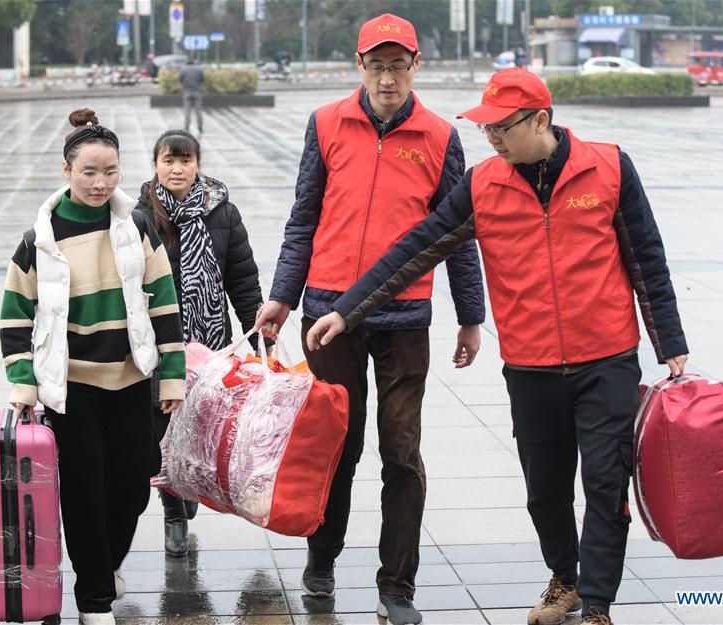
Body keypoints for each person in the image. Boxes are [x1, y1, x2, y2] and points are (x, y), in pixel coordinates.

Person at [306, 67, 690, 625]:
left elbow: (646, 258)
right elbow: (415, 247)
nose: (490, 139)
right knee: (544, 492)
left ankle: (598, 606)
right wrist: (347, 309)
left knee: (606, 483)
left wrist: (670, 342)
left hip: (606, 356)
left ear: (540, 120)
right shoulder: (484, 184)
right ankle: (565, 578)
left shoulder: (607, 166)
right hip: (531, 362)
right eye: (484, 129)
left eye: (500, 128)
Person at [253, 12, 485, 625]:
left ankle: (396, 585)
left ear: (416, 67)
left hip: (406, 318)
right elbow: (305, 216)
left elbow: (459, 234)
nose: (388, 79)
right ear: (360, 66)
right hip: (329, 312)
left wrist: (470, 316)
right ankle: (322, 557)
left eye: (398, 66)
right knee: (336, 444)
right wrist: (282, 295)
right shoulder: (327, 123)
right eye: (377, 66)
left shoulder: (439, 135)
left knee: (401, 452)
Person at [0, 108, 186, 625]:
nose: (101, 182)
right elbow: (14, 314)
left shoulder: (135, 224)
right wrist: (23, 381)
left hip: (131, 381)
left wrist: (171, 375)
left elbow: (164, 302)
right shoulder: (40, 236)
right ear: (67, 171)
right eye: (89, 172)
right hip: (72, 388)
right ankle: (95, 600)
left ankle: (105, 565)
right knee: (84, 495)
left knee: (130, 489)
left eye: (110, 171)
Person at [134, 129, 264, 557]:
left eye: (185, 161)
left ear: (197, 165)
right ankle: (173, 508)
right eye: (168, 160)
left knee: (203, 424)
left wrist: (258, 328)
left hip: (211, 344)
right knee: (165, 427)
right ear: (155, 165)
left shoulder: (223, 213)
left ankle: (187, 489)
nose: (177, 168)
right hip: (161, 348)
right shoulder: (141, 216)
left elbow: (242, 278)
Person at [179, 58, 205, 134]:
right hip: (197, 92)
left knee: (187, 111)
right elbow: (203, 79)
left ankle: (186, 128)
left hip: (187, 92)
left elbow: (180, 79)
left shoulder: (183, 69)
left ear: (186, 62)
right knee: (198, 111)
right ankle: (200, 127)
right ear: (193, 62)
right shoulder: (199, 69)